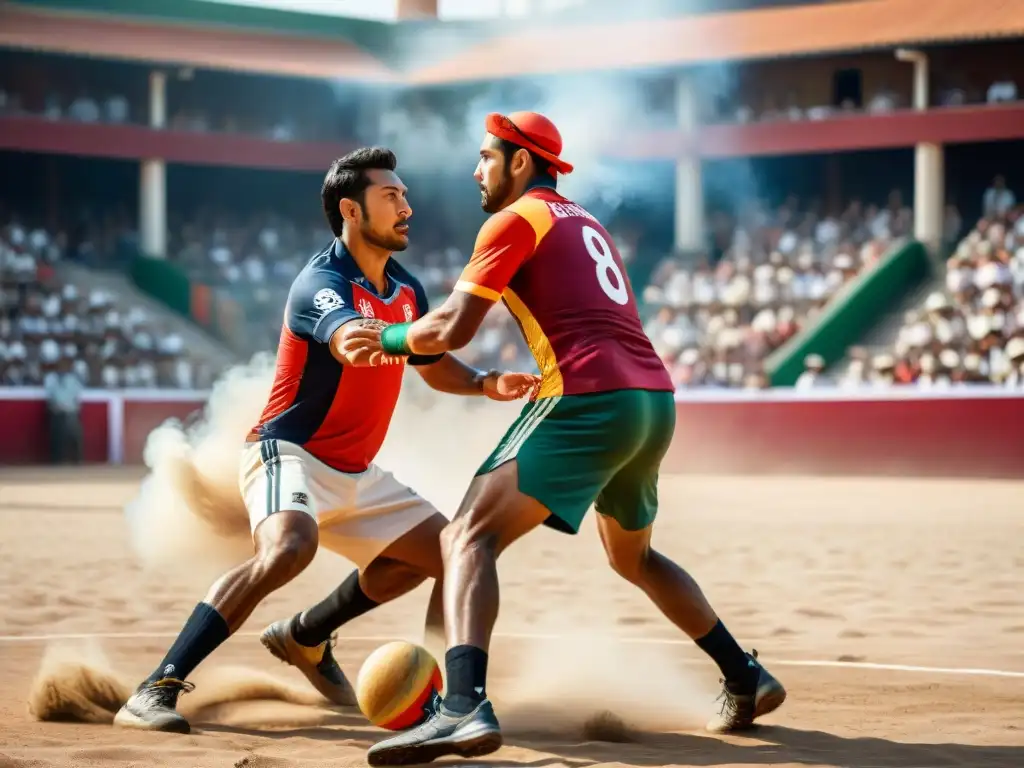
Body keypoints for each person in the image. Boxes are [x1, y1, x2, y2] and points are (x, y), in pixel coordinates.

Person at [356, 113, 787, 766]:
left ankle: (464, 706)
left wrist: (383, 339)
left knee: (466, 535)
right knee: (633, 558)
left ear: (520, 162)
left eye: (485, 158)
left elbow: (449, 329)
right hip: (653, 400)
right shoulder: (585, 222)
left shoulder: (514, 219)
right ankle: (743, 674)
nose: (477, 171)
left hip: (588, 397)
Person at [114, 147, 539, 734]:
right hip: (285, 454)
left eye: (405, 195)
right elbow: (347, 338)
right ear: (351, 210)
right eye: (391, 197)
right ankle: (154, 688)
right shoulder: (321, 280)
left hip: (357, 472)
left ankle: (318, 641)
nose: (406, 206)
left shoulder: (406, 288)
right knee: (289, 548)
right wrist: (378, 335)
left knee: (452, 555)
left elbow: (433, 364)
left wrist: (486, 383)